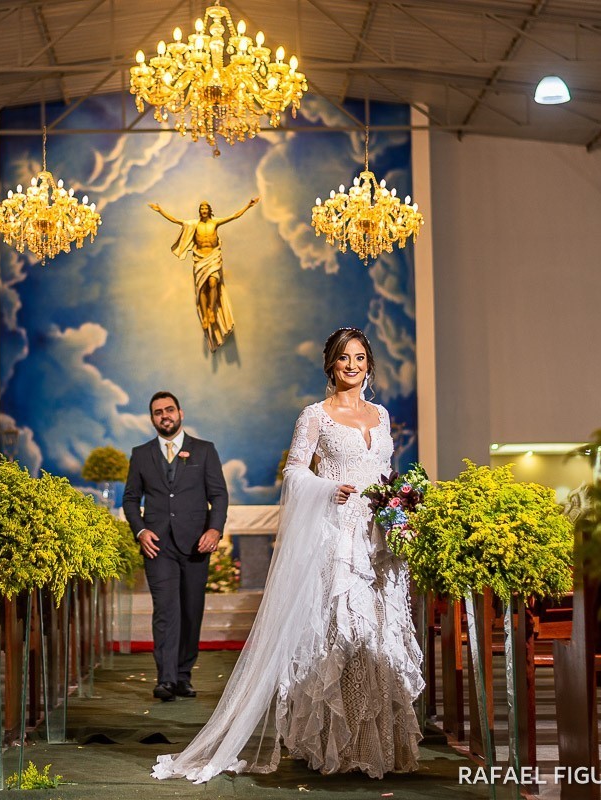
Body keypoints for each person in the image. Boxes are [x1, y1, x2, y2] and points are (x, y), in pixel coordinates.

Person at [152, 327, 423, 782]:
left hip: (378, 541)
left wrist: (401, 505)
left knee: (380, 636)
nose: (352, 365)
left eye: (359, 358)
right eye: (344, 358)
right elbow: (294, 473)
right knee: (343, 633)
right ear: (331, 365)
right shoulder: (315, 415)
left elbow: (385, 471)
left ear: (369, 365)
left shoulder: (381, 414)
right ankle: (337, 746)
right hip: (338, 538)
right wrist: (327, 489)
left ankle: (381, 747)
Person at [123, 391, 229, 702]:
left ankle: (183, 675)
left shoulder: (204, 450)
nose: (164, 416)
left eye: (169, 410)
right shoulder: (141, 454)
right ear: (152, 418)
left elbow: (218, 495)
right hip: (158, 546)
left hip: (196, 544)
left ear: (180, 413)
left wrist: (214, 529)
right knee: (166, 610)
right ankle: (166, 679)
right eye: (158, 412)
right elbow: (131, 499)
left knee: (191, 611)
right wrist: (141, 531)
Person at [148, 198, 259, 352]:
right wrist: (160, 211)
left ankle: (212, 311)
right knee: (202, 288)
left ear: (209, 210)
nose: (204, 211)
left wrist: (248, 206)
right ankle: (205, 315)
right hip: (200, 259)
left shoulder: (215, 222)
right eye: (202, 209)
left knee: (213, 283)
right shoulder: (194, 224)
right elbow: (176, 221)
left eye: (206, 209)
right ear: (199, 211)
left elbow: (234, 216)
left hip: (213, 257)